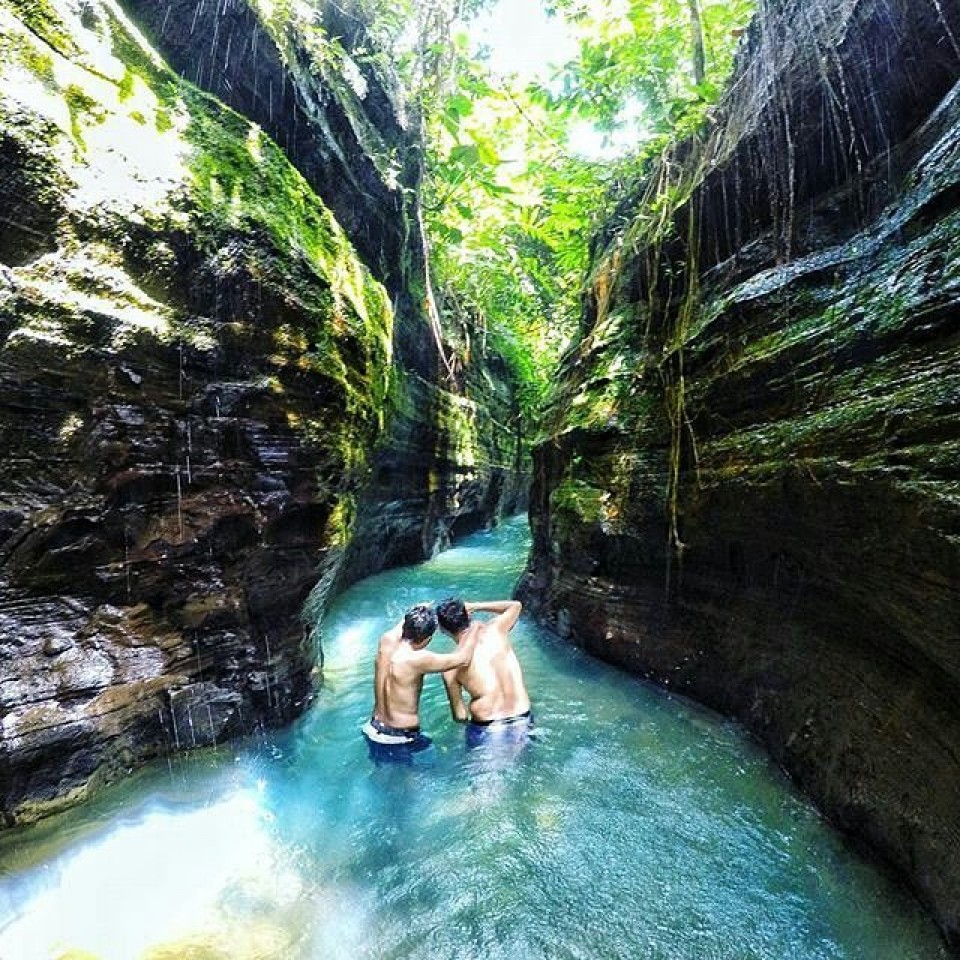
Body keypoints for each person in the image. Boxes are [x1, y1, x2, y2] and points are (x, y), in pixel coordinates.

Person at [362, 603, 478, 752]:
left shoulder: (386, 642)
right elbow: (463, 659)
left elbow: (404, 624)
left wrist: (419, 610)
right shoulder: (418, 659)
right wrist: (474, 628)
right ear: (427, 640)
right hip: (399, 740)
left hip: (373, 729)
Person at [436, 597, 532, 742]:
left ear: (442, 629)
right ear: (468, 615)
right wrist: (476, 605)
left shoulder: (451, 665)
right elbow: (515, 605)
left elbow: (460, 716)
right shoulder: (496, 630)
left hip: (487, 727)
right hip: (523, 717)